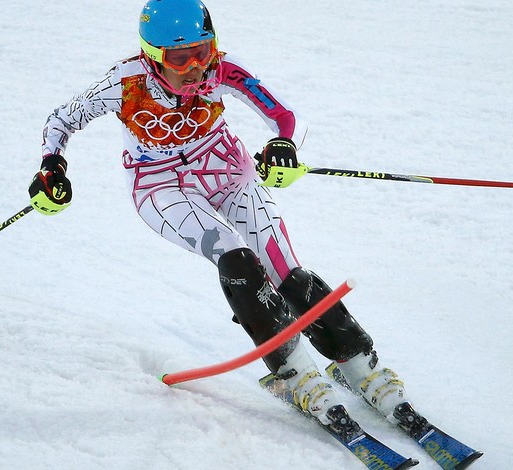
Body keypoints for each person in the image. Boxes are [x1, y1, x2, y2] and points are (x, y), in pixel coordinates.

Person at [28, 0, 413, 437]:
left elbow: (287, 117)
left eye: (202, 50)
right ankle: (295, 373)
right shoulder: (125, 82)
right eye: (179, 57)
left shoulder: (223, 70)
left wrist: (284, 145)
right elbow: (61, 119)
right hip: (161, 186)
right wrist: (51, 166)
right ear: (152, 55)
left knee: (288, 273)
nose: (194, 67)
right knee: (238, 261)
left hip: (225, 168)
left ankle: (360, 364)